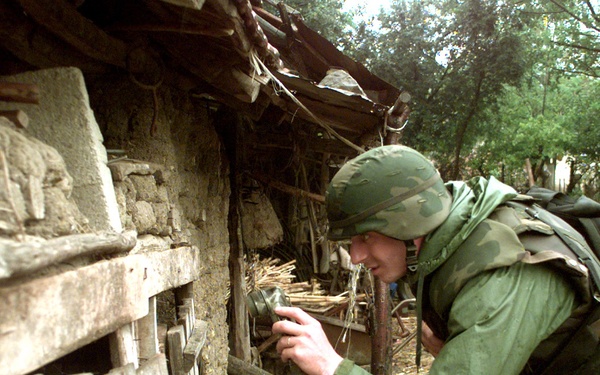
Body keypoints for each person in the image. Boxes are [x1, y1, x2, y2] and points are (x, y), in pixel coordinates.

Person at [271, 145, 600, 374]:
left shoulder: (500, 279)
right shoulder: (454, 230)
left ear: (410, 223)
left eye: (366, 236)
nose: (355, 256)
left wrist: (332, 366)